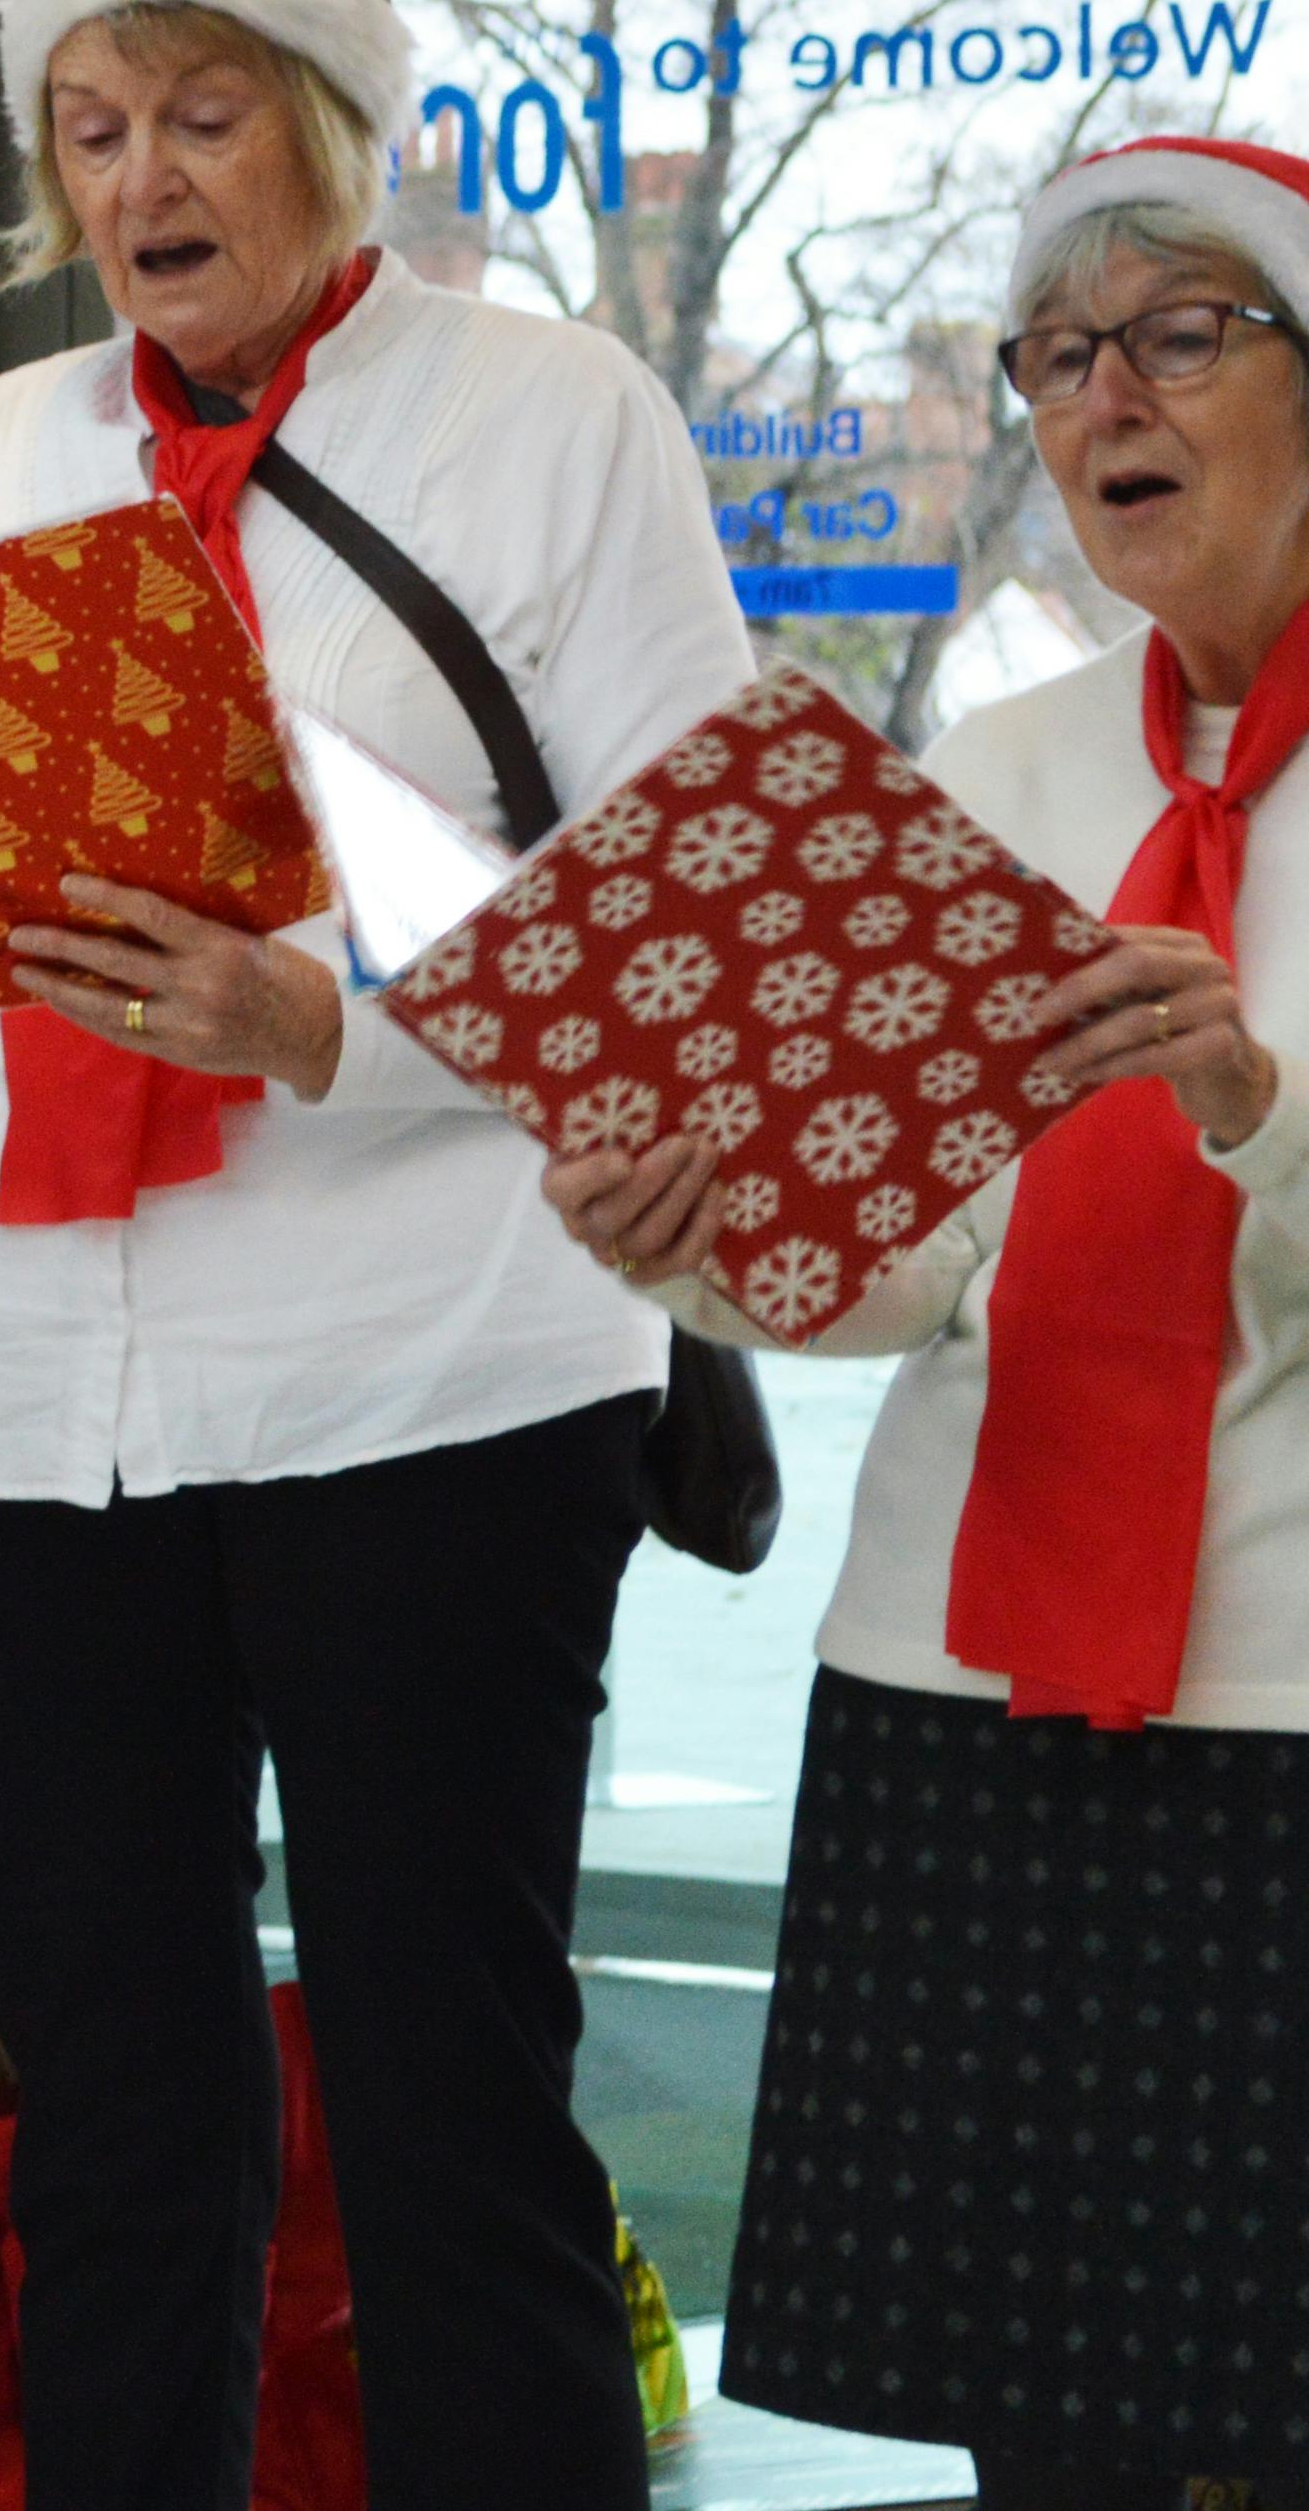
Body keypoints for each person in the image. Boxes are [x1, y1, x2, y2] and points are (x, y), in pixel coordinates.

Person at [0, 0, 755, 2511]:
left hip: (441, 1386)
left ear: (332, 135)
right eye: (96, 125)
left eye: (205, 115)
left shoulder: (545, 421)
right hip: (38, 1413)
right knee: (116, 2136)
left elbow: (690, 936)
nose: (141, 178)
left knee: (445, 2115)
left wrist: (327, 1026)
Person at [538, 135, 1309, 2511]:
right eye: (1061, 358)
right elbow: (913, 1259)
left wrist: (1247, 1104)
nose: (1105, 401)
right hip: (966, 1692)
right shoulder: (1003, 765)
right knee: (1045, 2443)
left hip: (1280, 1701)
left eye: (1178, 332)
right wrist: (687, 1236)